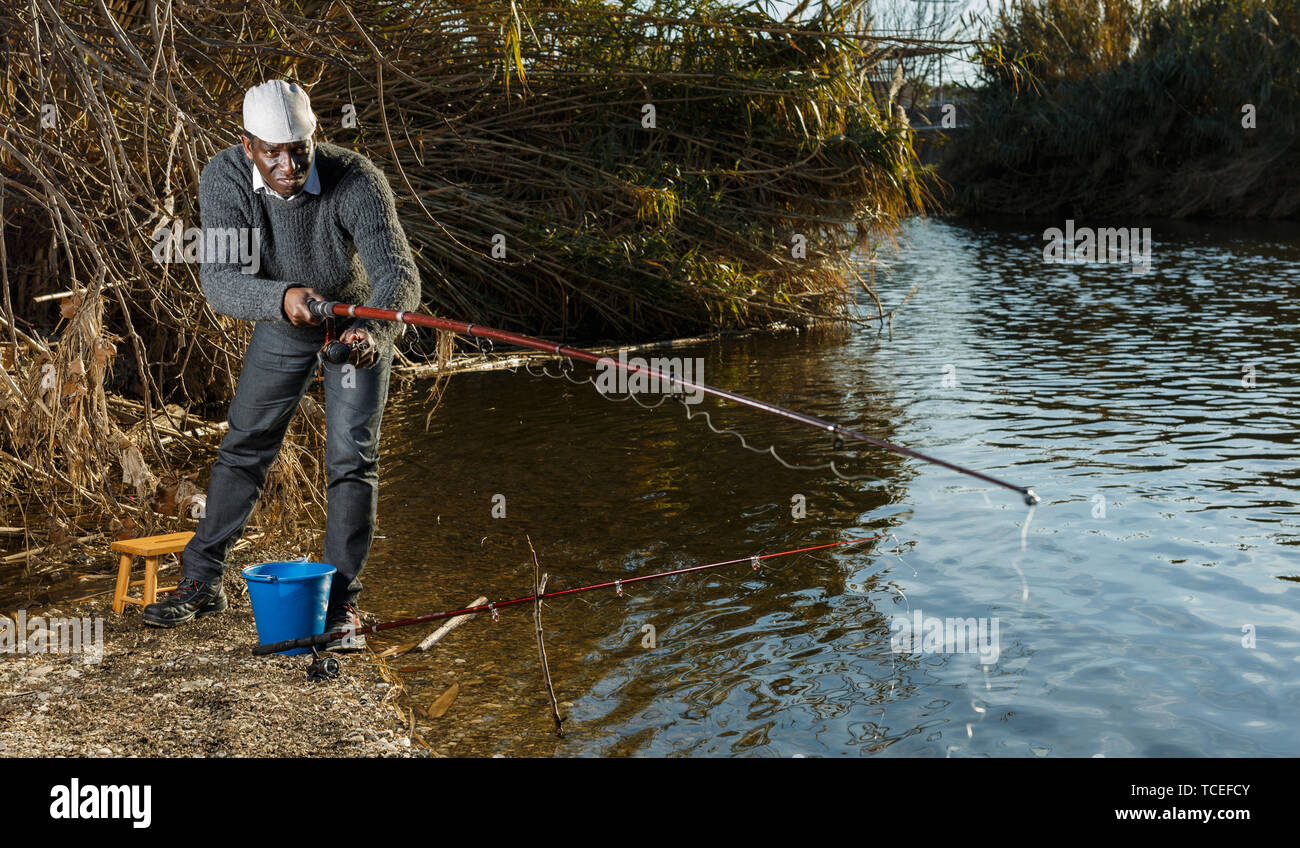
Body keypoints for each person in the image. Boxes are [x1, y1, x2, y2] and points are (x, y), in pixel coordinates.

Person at [142, 79, 420, 651]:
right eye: (274, 152)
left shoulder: (356, 178)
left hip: (354, 323)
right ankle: (202, 579)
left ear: (314, 138)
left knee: (350, 457)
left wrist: (373, 328)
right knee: (245, 444)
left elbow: (399, 275)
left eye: (300, 149)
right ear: (249, 147)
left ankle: (340, 602)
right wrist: (282, 298)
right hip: (282, 320)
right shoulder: (223, 178)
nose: (289, 164)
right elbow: (220, 283)